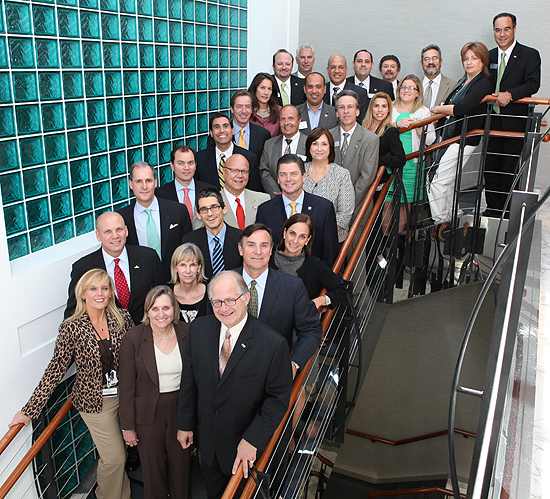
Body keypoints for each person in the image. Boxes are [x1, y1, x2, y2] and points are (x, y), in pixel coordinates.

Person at [11, 269, 134, 499]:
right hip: (96, 404)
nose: (100, 293)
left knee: (120, 455)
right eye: (93, 289)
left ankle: (123, 495)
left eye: (105, 288)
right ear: (83, 294)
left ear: (110, 293)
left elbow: (136, 356)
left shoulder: (122, 318)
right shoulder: (72, 328)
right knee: (114, 458)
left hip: (124, 398)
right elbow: (55, 369)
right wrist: (29, 410)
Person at [177, 271, 293, 499]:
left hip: (245, 452)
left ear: (246, 298)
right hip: (209, 449)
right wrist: (185, 423)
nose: (224, 308)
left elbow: (277, 400)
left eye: (231, 300)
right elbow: (189, 381)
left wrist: (251, 440)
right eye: (217, 302)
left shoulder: (272, 344)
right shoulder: (198, 330)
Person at [119, 286, 190, 499]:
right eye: (155, 308)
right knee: (152, 472)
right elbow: (126, 386)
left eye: (166, 308)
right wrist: (127, 427)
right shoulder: (133, 338)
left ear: (174, 309)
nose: (161, 314)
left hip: (180, 411)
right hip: (147, 414)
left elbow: (195, 379)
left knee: (181, 469)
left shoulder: (187, 332)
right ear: (147, 311)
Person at [236, 224, 323, 374]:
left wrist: (294, 364)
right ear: (240, 249)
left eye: (264, 246)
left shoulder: (292, 287)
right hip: (230, 372)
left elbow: (311, 330)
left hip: (273, 373)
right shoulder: (223, 283)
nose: (258, 252)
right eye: (251, 245)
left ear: (271, 250)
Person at [428, 42, 493, 225]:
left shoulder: (483, 83)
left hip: (464, 139)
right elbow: (453, 105)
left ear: (483, 61)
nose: (469, 62)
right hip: (451, 137)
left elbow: (461, 108)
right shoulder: (463, 81)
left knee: (439, 182)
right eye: (466, 58)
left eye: (474, 58)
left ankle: (441, 223)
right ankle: (452, 219)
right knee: (445, 181)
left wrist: (437, 109)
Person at [64, 211, 166, 325]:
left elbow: (164, 294)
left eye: (119, 229)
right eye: (108, 231)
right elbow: (73, 312)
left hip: (146, 333)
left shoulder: (148, 257)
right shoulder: (83, 268)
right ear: (98, 235)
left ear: (126, 231)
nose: (115, 236)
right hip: (106, 338)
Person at [484, 12, 541, 216]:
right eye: (498, 30)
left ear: (514, 29)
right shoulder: (487, 56)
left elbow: (533, 83)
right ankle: (492, 210)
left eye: (506, 29)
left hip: (514, 122)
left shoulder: (529, 54)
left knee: (510, 168)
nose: (502, 34)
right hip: (491, 121)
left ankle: (506, 213)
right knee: (490, 168)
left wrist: (511, 94)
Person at [256, 154, 339, 267]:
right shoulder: (264, 210)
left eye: (293, 174)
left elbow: (330, 253)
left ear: (304, 176)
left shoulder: (324, 208)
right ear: (278, 179)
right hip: (276, 280)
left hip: (313, 281)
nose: (288, 179)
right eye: (283, 174)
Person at [117, 161, 192, 280]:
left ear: (155, 182)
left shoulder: (178, 210)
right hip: (141, 285)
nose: (144, 187)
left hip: (175, 281)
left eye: (148, 181)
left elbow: (189, 248)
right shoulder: (121, 218)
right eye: (138, 181)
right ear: (131, 184)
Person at [385, 75, 435, 233]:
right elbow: (376, 130)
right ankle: (384, 253)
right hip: (389, 166)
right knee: (386, 213)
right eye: (404, 87)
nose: (406, 90)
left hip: (411, 167)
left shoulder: (424, 111)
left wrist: (421, 132)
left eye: (411, 88)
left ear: (418, 93)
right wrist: (395, 125)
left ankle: (396, 255)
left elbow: (431, 140)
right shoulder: (390, 108)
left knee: (403, 214)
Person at [272, 214, 347, 311]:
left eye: (302, 237)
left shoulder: (315, 265)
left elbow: (340, 289)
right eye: (292, 233)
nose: (295, 241)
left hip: (298, 323)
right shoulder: (266, 256)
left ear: (308, 240)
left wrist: (319, 301)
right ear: (284, 232)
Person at [329, 90, 380, 212]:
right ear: (336, 112)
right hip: (329, 207)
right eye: (341, 107)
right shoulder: (328, 136)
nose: (346, 111)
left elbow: (366, 178)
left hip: (357, 207)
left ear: (357, 111)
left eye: (350, 107)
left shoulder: (370, 139)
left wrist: (346, 203)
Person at [303, 127, 355, 242]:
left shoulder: (342, 174)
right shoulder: (300, 171)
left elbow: (345, 214)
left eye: (324, 144)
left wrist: (319, 233)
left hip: (330, 239)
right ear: (309, 147)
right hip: (299, 239)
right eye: (315, 143)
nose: (319, 148)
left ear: (330, 147)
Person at [182, 187, 242, 279]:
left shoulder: (241, 238)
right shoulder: (189, 241)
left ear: (224, 208)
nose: (210, 213)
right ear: (198, 214)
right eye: (204, 209)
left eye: (214, 207)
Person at [195, 113, 262, 192]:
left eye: (225, 126)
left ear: (233, 130)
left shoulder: (249, 158)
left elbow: (254, 192)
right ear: (211, 133)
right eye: (216, 127)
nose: (222, 130)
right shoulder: (200, 158)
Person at [155, 145, 215, 228]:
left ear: (195, 165)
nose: (186, 168)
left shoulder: (210, 190)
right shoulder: (160, 195)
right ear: (172, 166)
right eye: (181, 163)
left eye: (190, 163)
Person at [362, 92, 406, 199]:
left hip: (376, 179)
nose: (380, 110)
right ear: (371, 108)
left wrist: (376, 160)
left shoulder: (390, 131)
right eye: (376, 106)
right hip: (360, 177)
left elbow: (400, 159)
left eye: (384, 106)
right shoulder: (362, 127)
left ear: (389, 110)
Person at [259, 105, 307, 196]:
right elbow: (264, 171)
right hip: (276, 197)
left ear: (299, 121)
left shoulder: (309, 143)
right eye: (283, 119)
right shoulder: (269, 144)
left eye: (290, 118)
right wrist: (278, 192)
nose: (286, 123)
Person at [220, 154, 270, 229]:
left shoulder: (264, 200)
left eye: (244, 171)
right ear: (224, 172)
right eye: (234, 170)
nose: (240, 175)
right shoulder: (212, 202)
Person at [324, 54, 369, 123]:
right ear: (327, 70)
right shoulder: (320, 91)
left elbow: (362, 121)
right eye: (333, 67)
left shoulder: (360, 92)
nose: (337, 71)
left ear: (346, 70)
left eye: (341, 67)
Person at [170, 243, 208, 322]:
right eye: (183, 265)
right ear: (175, 267)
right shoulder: (168, 294)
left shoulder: (211, 293)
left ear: (199, 267)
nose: (188, 271)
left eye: (192, 265)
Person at [230, 90, 271, 161]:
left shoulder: (263, 135)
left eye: (247, 106)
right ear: (232, 109)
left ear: (252, 109)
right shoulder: (221, 133)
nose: (244, 111)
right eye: (239, 106)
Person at [420, 44, 457, 109]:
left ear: (441, 62)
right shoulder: (414, 85)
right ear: (421, 63)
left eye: (434, 58)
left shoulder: (453, 85)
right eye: (426, 59)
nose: (431, 62)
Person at [248, 72, 281, 138]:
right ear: (255, 89)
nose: (266, 92)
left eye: (269, 89)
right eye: (262, 88)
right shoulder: (246, 110)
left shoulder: (280, 111)